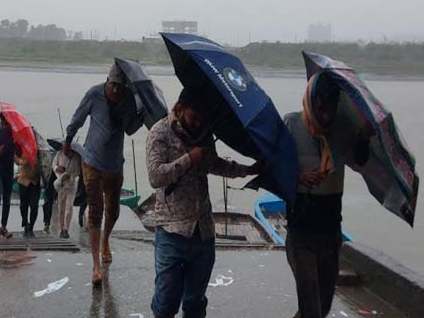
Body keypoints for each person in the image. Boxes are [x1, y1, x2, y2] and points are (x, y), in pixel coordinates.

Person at [146, 87, 259, 318]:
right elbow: (155, 177)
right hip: (171, 231)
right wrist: (188, 159)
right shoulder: (159, 133)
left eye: (201, 119)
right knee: (166, 303)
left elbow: (213, 164)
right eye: (192, 117)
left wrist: (246, 170)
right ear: (179, 109)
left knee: (195, 302)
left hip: (203, 231)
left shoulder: (204, 134)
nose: (197, 123)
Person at [284, 73, 371, 318]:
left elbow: (360, 160)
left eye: (330, 109)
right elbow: (274, 167)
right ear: (310, 101)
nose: (325, 115)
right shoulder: (291, 124)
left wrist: (363, 138)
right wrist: (298, 176)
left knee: (320, 308)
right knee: (311, 308)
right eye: (320, 108)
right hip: (301, 233)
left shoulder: (342, 131)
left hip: (331, 233)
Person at [64, 62, 144, 285]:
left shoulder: (128, 98)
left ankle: (105, 241)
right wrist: (68, 140)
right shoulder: (94, 93)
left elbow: (130, 128)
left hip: (115, 165)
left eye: (120, 86)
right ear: (107, 81)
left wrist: (141, 113)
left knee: (114, 210)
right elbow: (78, 118)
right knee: (95, 212)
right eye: (113, 85)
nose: (116, 90)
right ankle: (96, 266)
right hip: (92, 162)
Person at [52, 145, 82, 238]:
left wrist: (70, 175)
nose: (65, 151)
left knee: (69, 207)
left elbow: (78, 170)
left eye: (67, 149)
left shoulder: (76, 156)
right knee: (61, 208)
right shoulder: (59, 153)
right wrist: (58, 169)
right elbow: (54, 165)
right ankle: (61, 228)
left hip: (72, 185)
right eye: (64, 148)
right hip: (61, 184)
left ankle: (66, 229)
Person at [15, 145, 41, 238]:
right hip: (23, 180)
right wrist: (23, 161)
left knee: (34, 206)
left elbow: (44, 164)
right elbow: (17, 161)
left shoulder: (39, 150)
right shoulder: (22, 147)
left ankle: (31, 227)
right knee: (23, 205)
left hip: (35, 181)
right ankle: (25, 223)